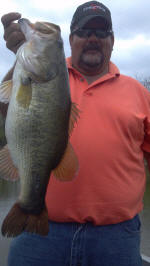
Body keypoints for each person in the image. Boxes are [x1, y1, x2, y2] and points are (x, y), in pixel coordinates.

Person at [1, 1, 150, 265]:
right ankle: (29, 205)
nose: (93, 38)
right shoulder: (53, 75)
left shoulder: (140, 93)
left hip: (117, 236)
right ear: (71, 39)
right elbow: (6, 107)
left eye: (101, 32)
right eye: (84, 31)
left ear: (112, 41)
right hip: (42, 234)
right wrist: (19, 54)